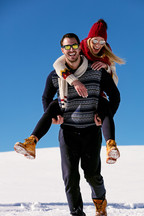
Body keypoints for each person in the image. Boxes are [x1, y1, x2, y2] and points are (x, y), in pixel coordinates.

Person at [14, 19, 124, 164]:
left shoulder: (107, 56)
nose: (98, 45)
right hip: (70, 94)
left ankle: (111, 145)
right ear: (89, 39)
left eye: (102, 42)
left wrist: (106, 67)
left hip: (94, 95)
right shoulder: (79, 48)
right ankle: (31, 142)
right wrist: (74, 80)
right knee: (54, 104)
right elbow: (58, 64)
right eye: (95, 41)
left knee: (103, 104)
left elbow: (114, 85)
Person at [42, 33, 120, 216]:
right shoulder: (55, 75)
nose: (71, 50)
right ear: (62, 50)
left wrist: (103, 116)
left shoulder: (96, 72)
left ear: (80, 47)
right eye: (67, 47)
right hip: (67, 132)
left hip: (90, 132)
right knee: (70, 177)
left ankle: (100, 202)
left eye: (74, 46)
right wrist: (52, 117)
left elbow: (115, 96)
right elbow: (46, 98)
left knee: (92, 175)